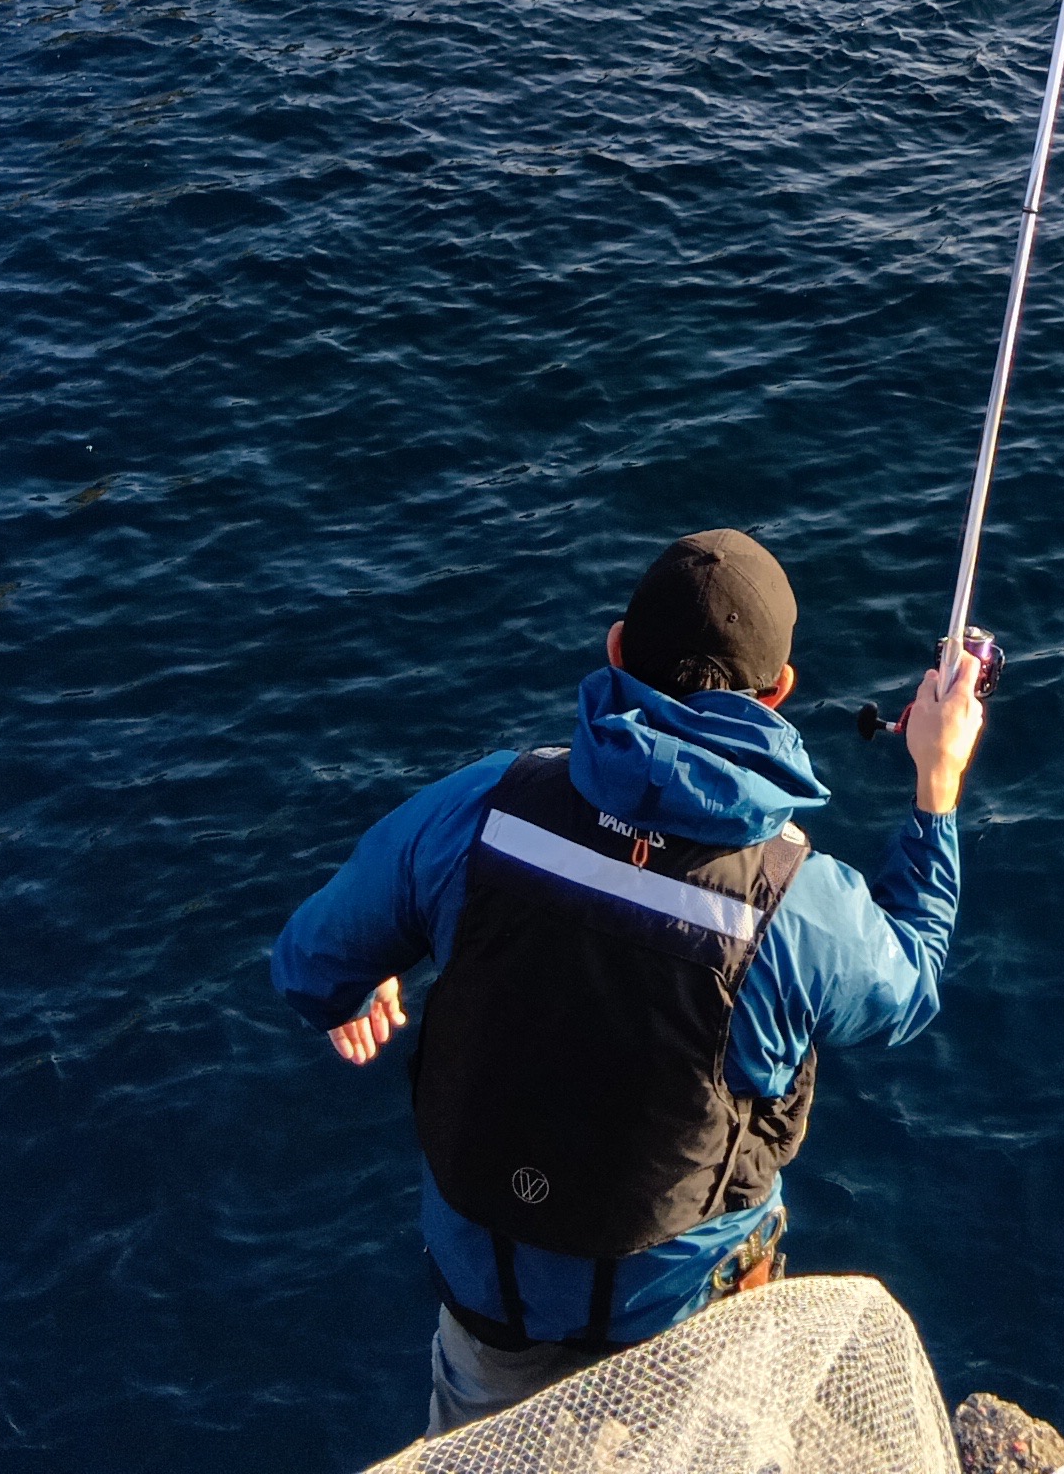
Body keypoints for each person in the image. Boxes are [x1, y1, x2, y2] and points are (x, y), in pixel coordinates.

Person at [273, 527, 990, 1434]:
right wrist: (936, 786)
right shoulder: (800, 903)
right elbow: (910, 984)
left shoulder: (481, 806)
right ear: (778, 691)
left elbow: (308, 964)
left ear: (615, 649)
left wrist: (364, 982)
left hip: (492, 1291)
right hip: (681, 1314)